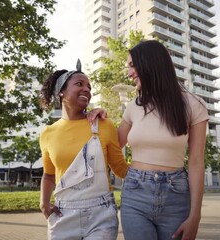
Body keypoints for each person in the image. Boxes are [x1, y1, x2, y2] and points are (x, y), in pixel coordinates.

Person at [89, 40, 209, 240]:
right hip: (135, 192)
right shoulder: (134, 106)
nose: (129, 73)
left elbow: (197, 161)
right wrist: (102, 118)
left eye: (132, 65)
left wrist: (195, 216)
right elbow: (113, 145)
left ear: (151, 63)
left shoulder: (194, 104)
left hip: (176, 195)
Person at [38, 67, 129, 240]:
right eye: (79, 84)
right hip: (62, 215)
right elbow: (49, 175)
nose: (87, 89)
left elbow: (120, 168)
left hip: (101, 216)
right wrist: (43, 202)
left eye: (89, 87)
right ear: (61, 92)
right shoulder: (47, 134)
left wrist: (152, 167)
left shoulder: (103, 124)